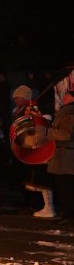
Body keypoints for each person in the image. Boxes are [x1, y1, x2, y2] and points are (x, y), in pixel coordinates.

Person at [13, 84, 56, 218]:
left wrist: (36, 116)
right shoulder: (18, 110)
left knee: (43, 180)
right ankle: (42, 205)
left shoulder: (40, 108)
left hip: (41, 147)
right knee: (35, 179)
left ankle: (48, 207)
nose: (15, 100)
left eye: (18, 97)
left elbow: (46, 122)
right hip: (30, 147)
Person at [43, 90, 74, 221]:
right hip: (64, 155)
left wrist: (48, 132)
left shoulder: (70, 111)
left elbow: (66, 134)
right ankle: (67, 213)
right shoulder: (66, 110)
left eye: (67, 95)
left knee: (66, 187)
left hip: (66, 156)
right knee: (64, 187)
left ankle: (69, 215)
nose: (64, 97)